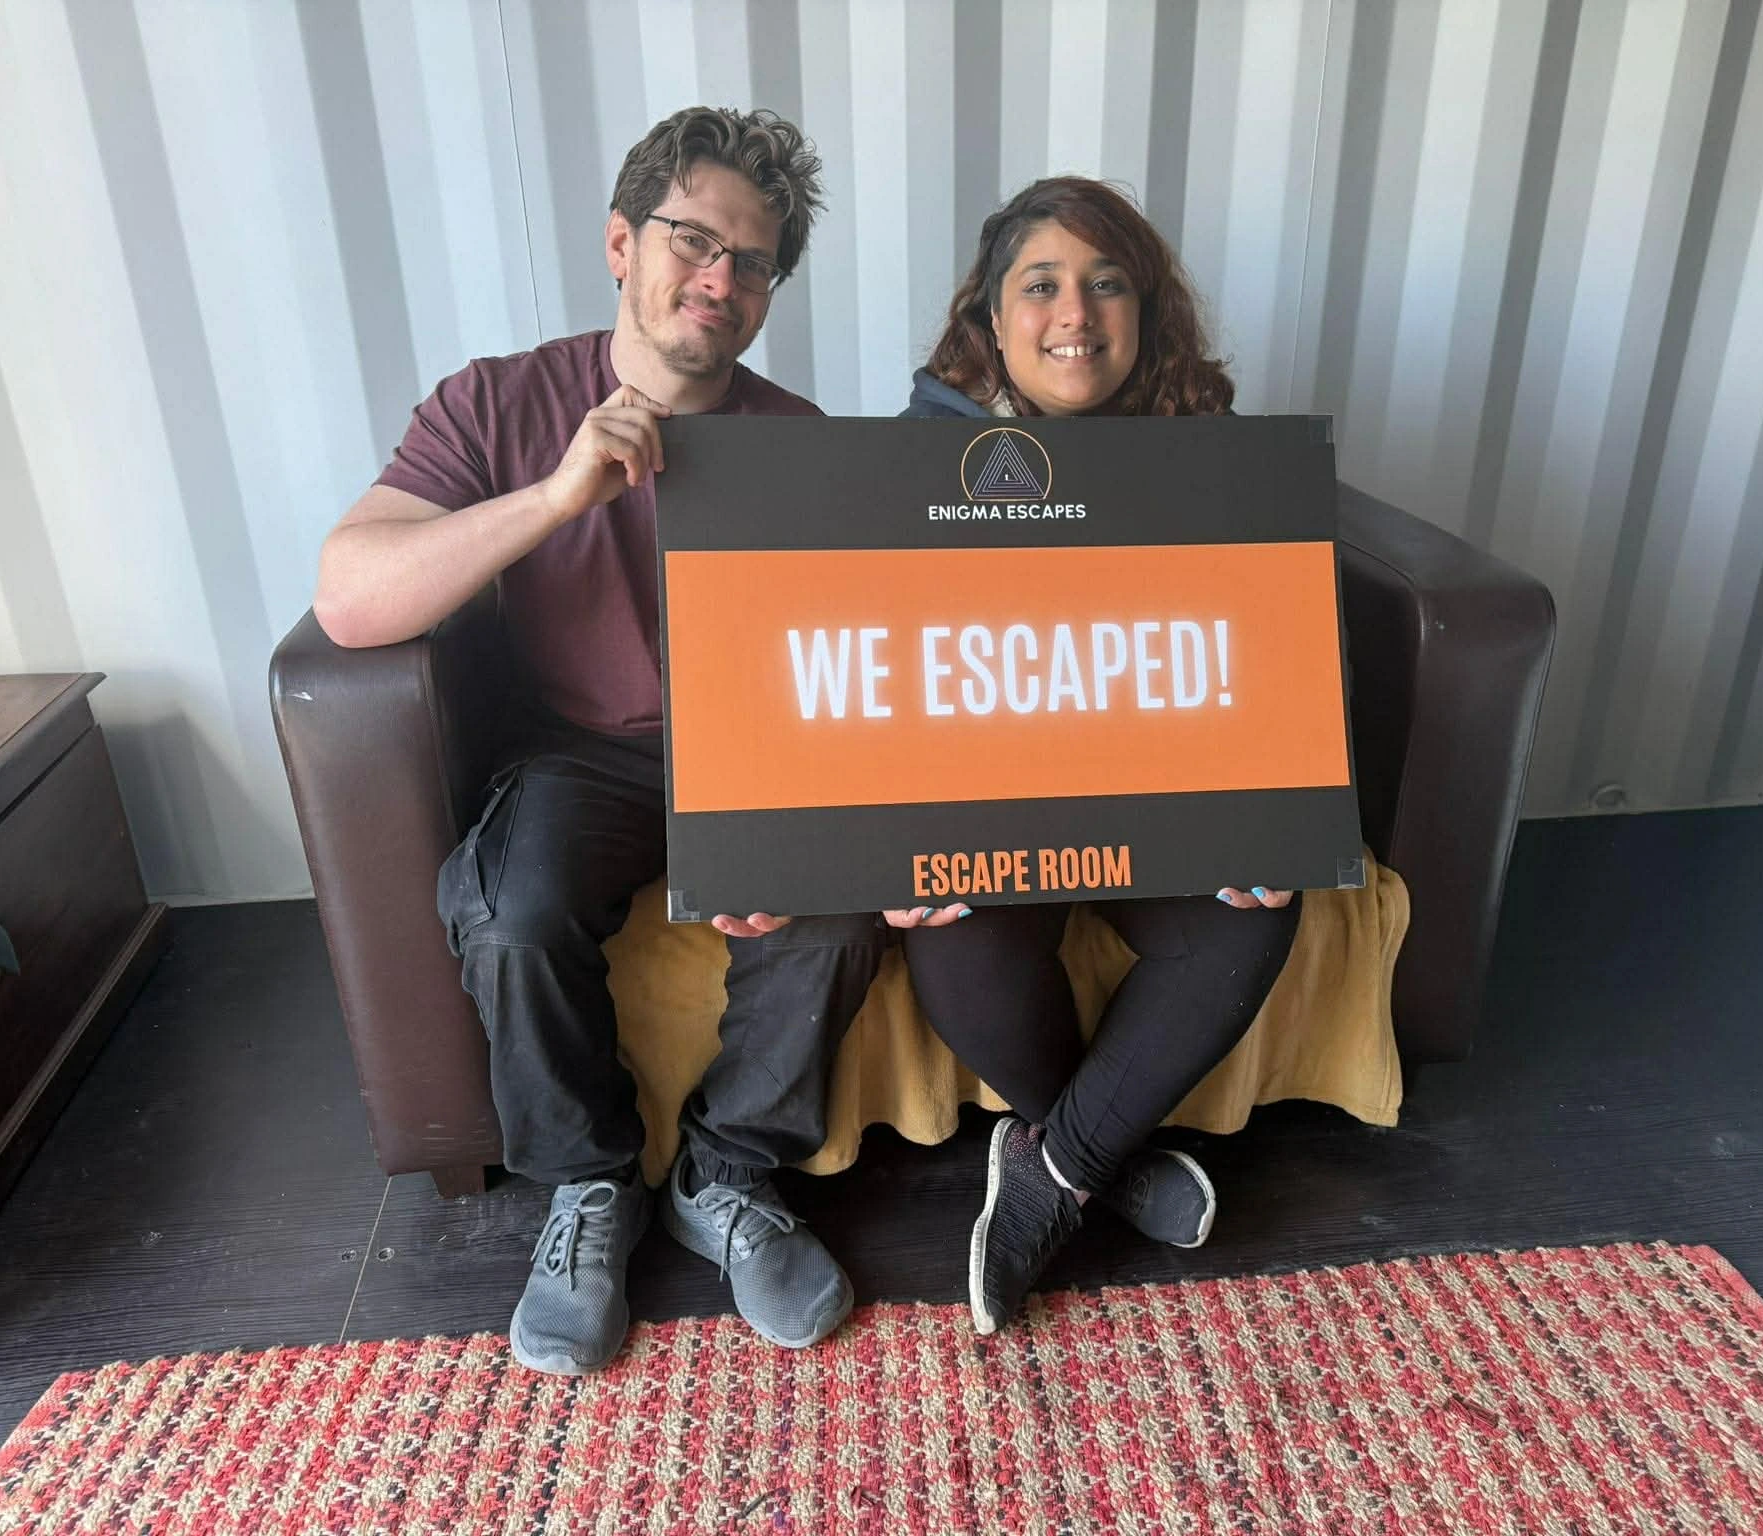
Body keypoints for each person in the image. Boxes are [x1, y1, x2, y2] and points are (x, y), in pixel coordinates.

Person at [314, 107, 881, 1374]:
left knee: (835, 917)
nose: (720, 278)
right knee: (510, 911)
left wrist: (790, 819)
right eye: (693, 241)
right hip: (575, 750)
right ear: (622, 243)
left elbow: (845, 670)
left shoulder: (799, 440)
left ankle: (727, 1176)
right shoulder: (497, 400)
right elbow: (349, 598)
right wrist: (556, 494)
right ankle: (588, 1185)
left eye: (753, 263)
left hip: (756, 749)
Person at [890, 176, 1302, 1335]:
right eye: (1042, 284)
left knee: (1250, 916)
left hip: (1156, 811)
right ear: (992, 315)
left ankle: (1054, 1171)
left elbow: (1273, 653)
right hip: (995, 819)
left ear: (1144, 309)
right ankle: (1109, 1163)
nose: (1074, 312)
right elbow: (872, 676)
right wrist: (877, 840)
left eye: (1106, 282)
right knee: (950, 928)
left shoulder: (1211, 455)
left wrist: (1278, 817)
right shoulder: (911, 463)